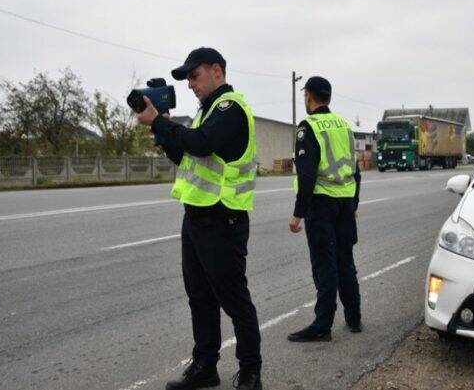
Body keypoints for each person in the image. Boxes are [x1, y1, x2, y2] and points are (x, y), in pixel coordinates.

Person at [135, 47, 263, 390]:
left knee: (234, 298)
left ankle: (251, 372)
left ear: (217, 71)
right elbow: (186, 154)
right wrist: (159, 128)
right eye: (187, 79)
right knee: (200, 297)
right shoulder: (206, 112)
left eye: (195, 75)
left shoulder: (229, 107)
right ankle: (206, 365)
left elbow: (203, 144)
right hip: (196, 217)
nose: (190, 84)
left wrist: (162, 122)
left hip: (224, 217)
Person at [287, 76, 362, 342]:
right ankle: (354, 318)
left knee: (324, 265)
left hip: (321, 204)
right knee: (345, 262)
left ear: (308, 96)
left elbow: (306, 176)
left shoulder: (308, 127)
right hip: (344, 202)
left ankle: (322, 325)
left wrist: (298, 214)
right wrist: (354, 203)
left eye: (305, 95)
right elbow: (356, 171)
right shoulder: (344, 126)